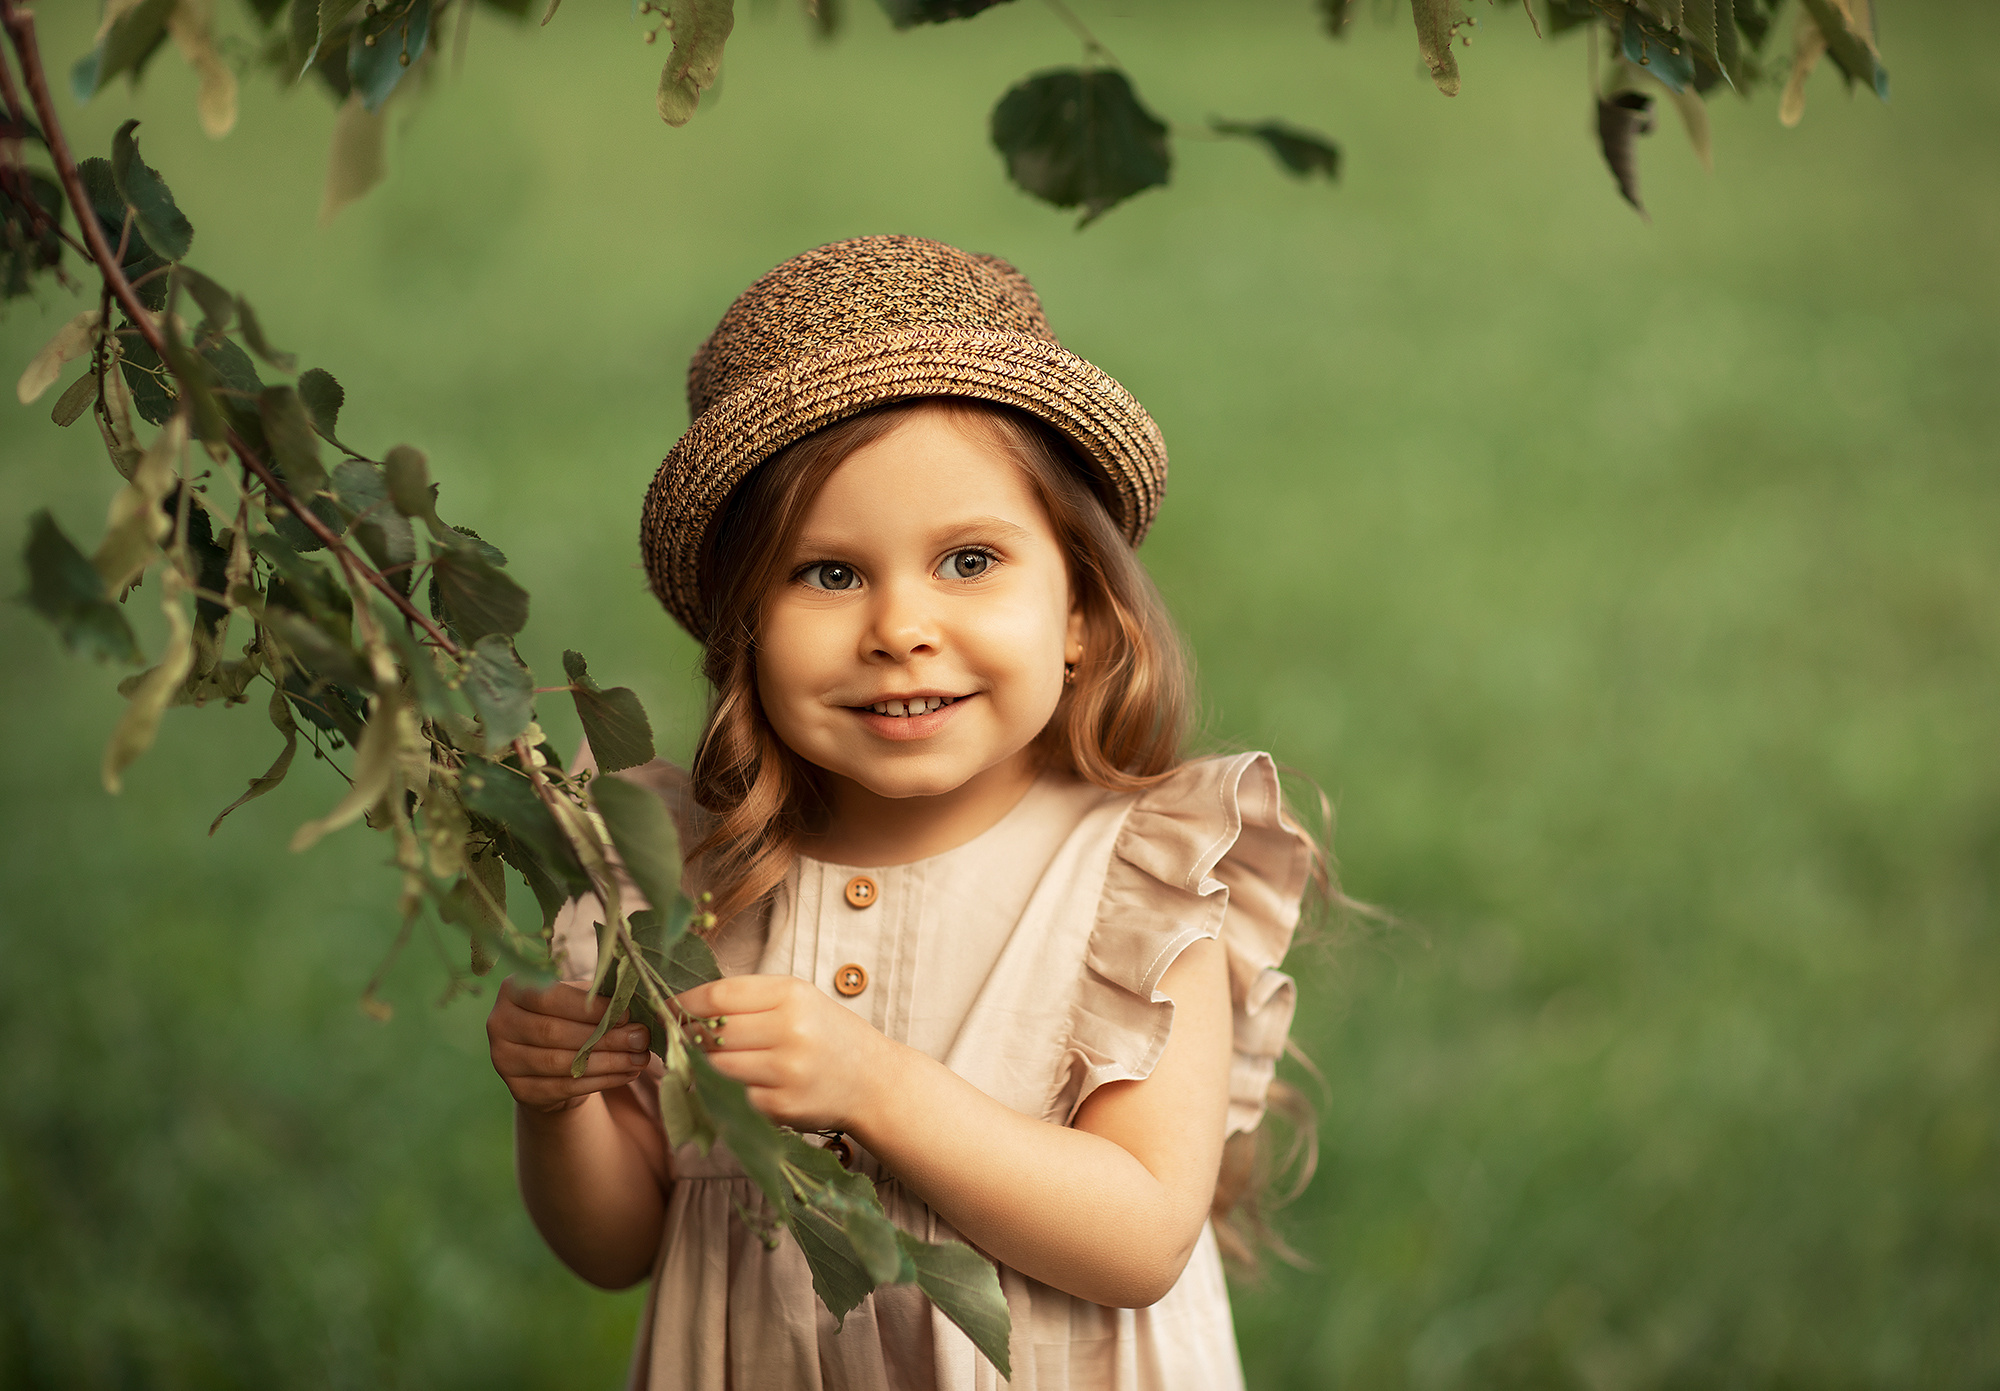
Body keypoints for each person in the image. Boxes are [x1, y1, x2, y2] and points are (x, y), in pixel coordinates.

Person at [485, 236, 1330, 1390]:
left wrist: (872, 1085)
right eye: (828, 573)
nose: (899, 628)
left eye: (968, 560)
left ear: (1079, 611)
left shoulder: (1135, 876)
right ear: (744, 630)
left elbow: (1139, 1236)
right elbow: (619, 1245)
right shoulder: (687, 880)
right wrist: (557, 1106)